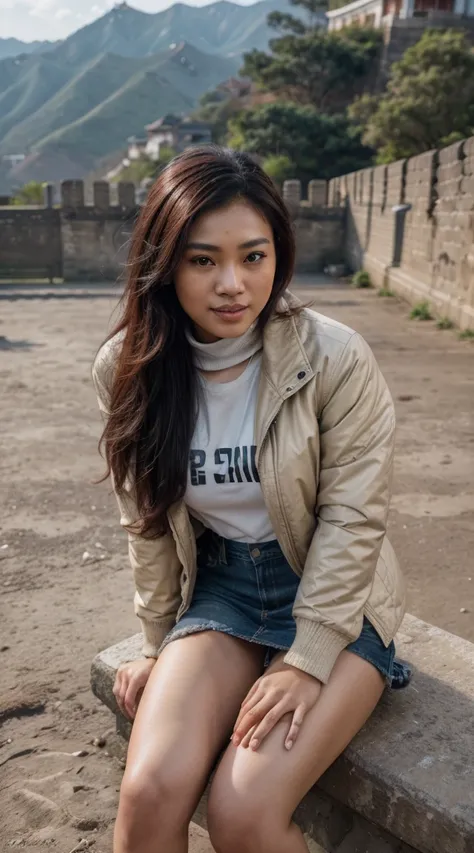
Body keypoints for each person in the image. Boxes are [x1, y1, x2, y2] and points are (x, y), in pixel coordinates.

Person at [92, 146, 409, 853]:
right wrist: (153, 643)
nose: (232, 283)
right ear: (165, 262)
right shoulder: (128, 369)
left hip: (337, 595)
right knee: (147, 794)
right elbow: (144, 521)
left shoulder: (334, 355)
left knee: (242, 809)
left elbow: (355, 514)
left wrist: (308, 653)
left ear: (279, 254)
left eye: (253, 256)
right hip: (225, 589)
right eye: (203, 259)